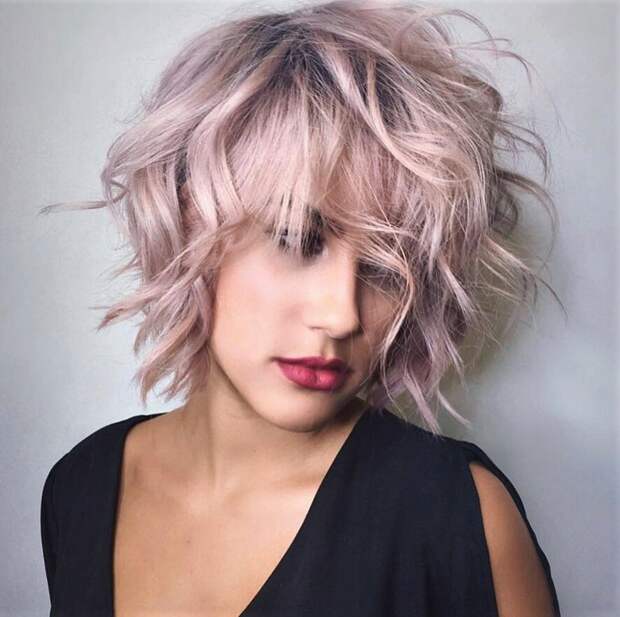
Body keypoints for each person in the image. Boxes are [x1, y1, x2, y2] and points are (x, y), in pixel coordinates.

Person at [39, 0, 563, 615]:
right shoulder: (81, 486)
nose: (342, 317)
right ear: (189, 219)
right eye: (297, 238)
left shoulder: (460, 517)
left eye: (384, 270)